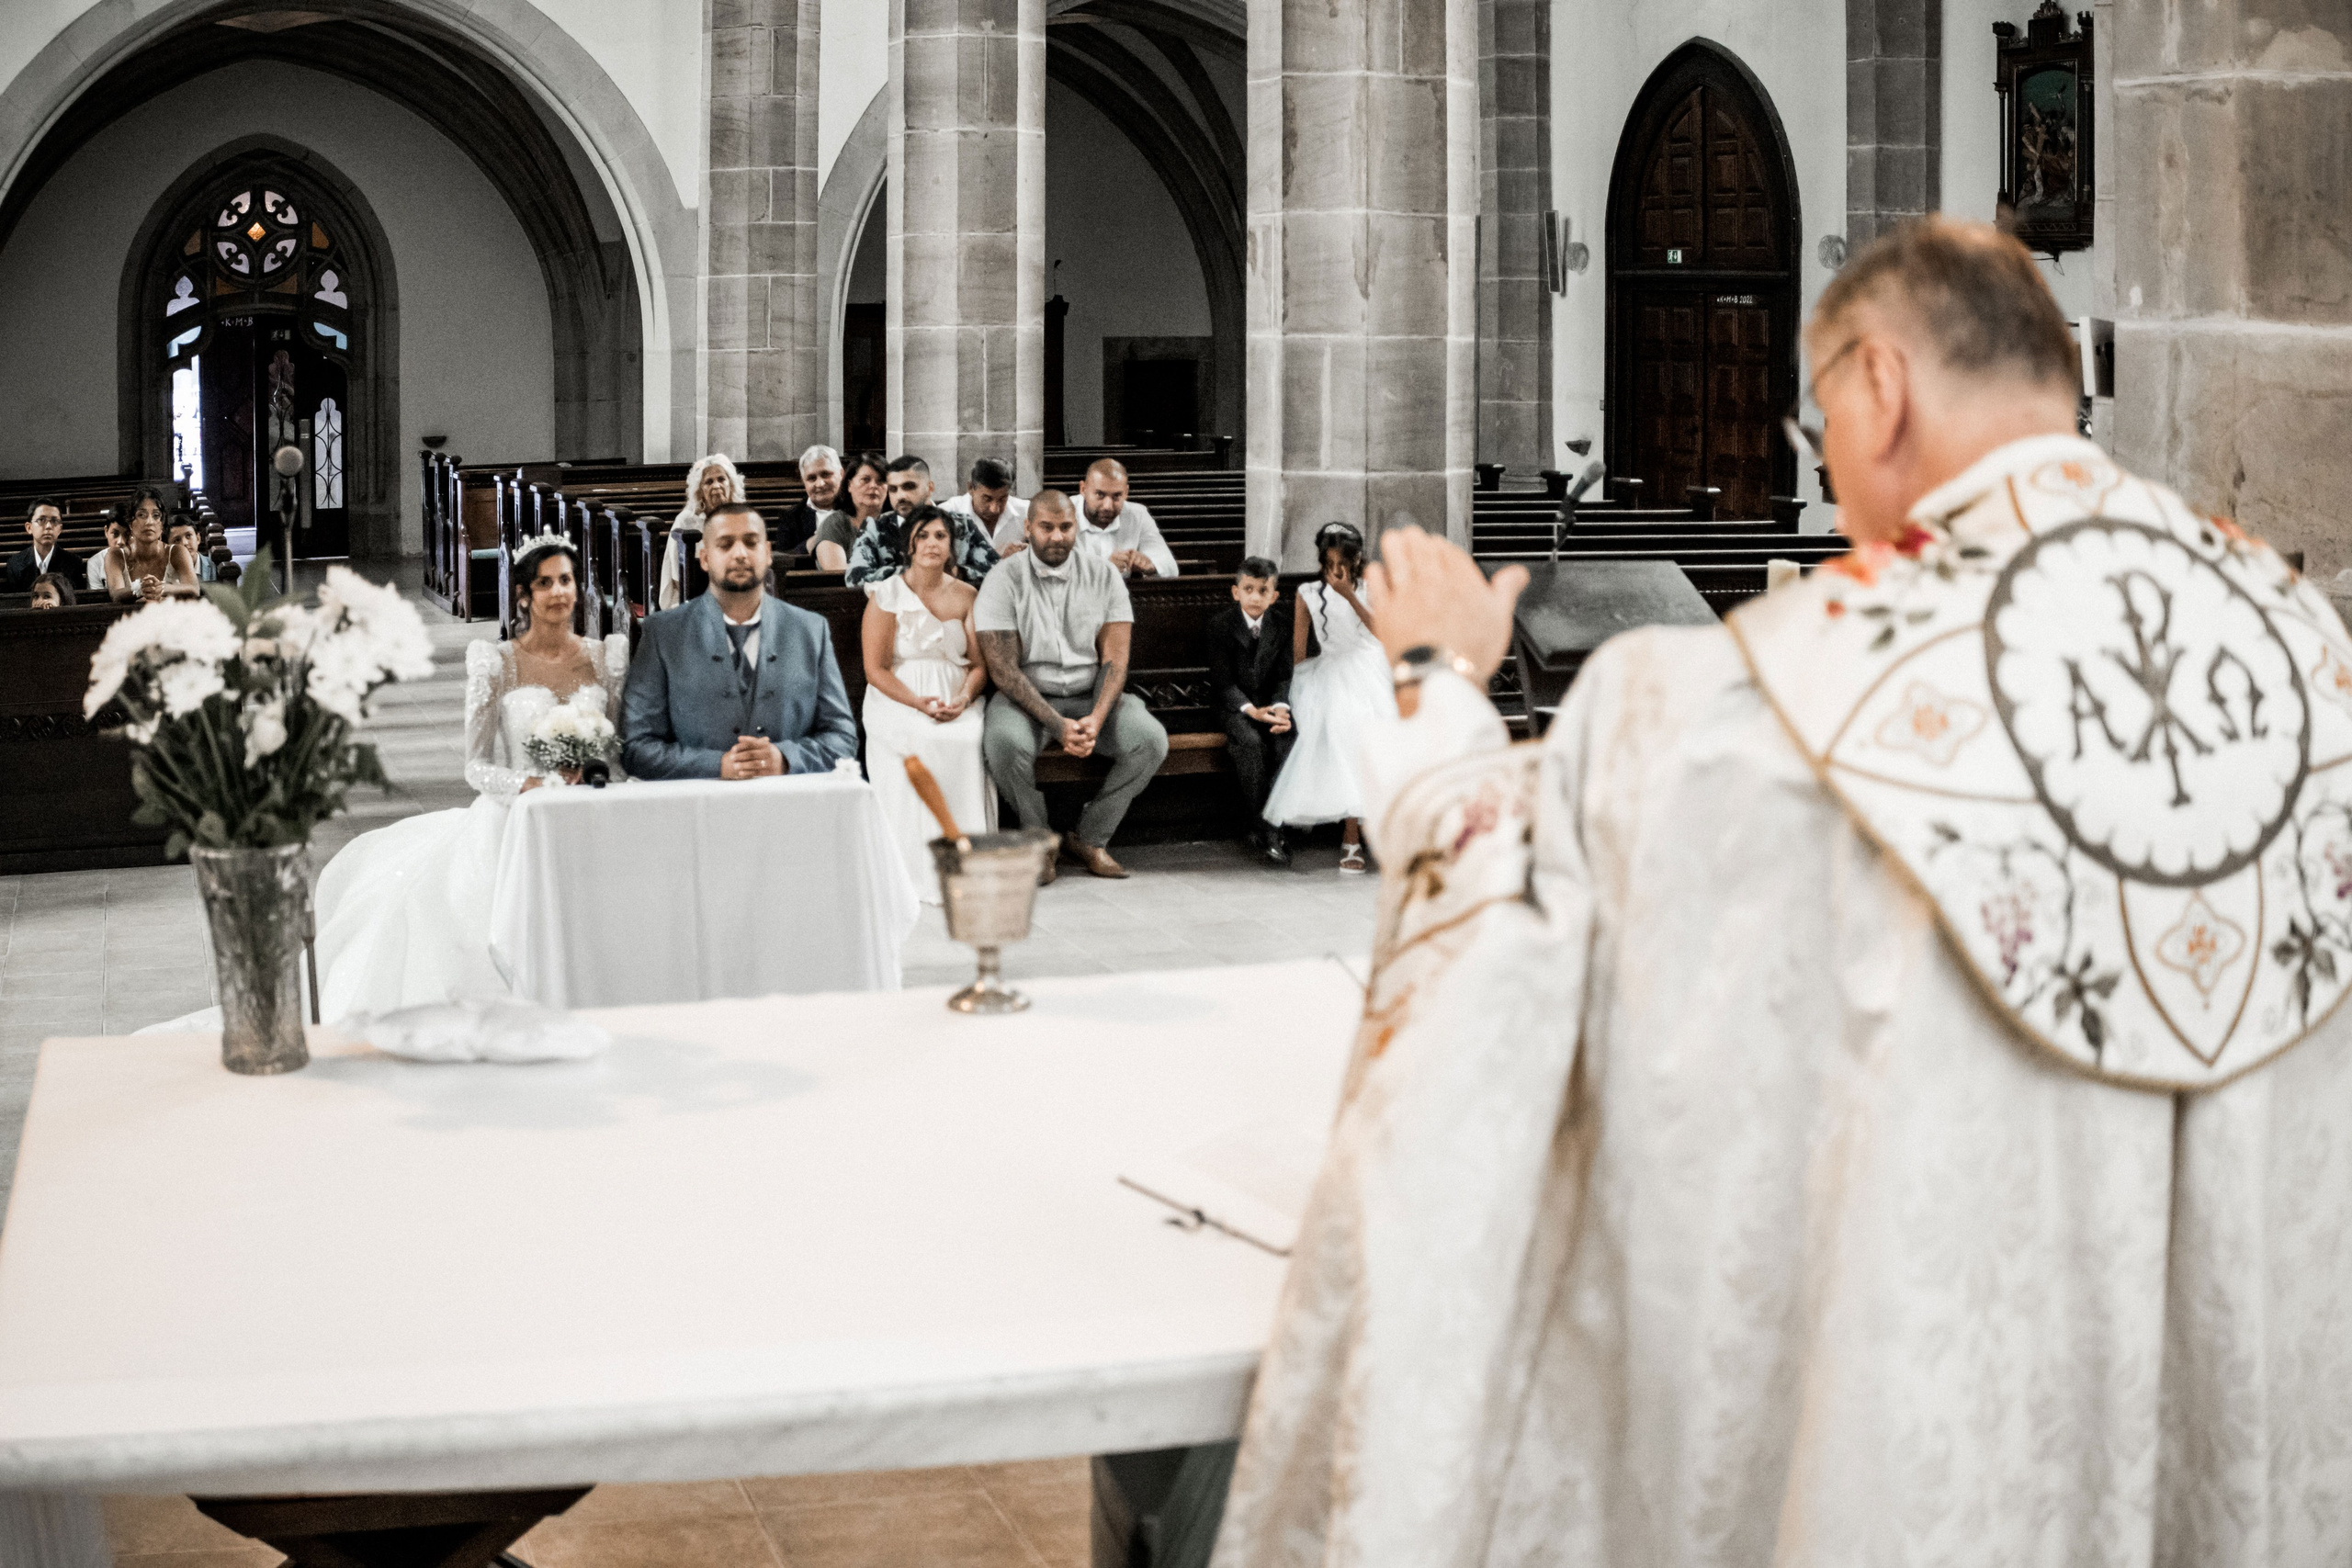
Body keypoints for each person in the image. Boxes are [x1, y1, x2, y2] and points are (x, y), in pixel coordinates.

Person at [1210, 218, 2352, 1564]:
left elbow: (1492, 934)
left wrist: (1435, 679)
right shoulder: (2306, 650)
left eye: (1817, 425)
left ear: (1879, 386)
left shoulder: (1760, 701)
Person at [308, 536, 629, 1022]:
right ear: (523, 594)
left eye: (567, 580)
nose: (560, 592)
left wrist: (597, 776)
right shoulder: (495, 662)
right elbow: (475, 767)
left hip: (589, 813)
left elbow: (622, 749)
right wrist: (528, 785)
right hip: (515, 817)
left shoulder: (607, 658)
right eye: (545, 583)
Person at [976, 490, 1169, 882]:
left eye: (1066, 527)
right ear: (1028, 528)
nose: (1058, 536)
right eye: (1046, 527)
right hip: (1027, 698)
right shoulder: (1002, 579)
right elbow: (1004, 670)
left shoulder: (1103, 575)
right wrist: (1057, 725)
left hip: (1090, 693)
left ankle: (1091, 837)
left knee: (1150, 740)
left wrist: (1096, 719)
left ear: (1076, 527)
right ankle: (1040, 840)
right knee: (1003, 744)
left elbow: (1116, 659)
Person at [622, 502, 858, 779]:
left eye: (751, 542)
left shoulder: (809, 630)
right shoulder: (664, 633)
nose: (740, 554)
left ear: (768, 553)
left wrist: (785, 758)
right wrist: (716, 765)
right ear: (705, 557)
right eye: (725, 544)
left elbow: (842, 738)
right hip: (699, 809)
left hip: (789, 809)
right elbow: (635, 747)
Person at [861, 505, 995, 899]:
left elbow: (978, 665)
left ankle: (964, 862)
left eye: (939, 536)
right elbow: (876, 669)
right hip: (898, 695)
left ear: (951, 545)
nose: (932, 544)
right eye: (922, 536)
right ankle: (912, 869)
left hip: (956, 694)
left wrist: (963, 698)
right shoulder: (886, 595)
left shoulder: (968, 594)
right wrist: (920, 704)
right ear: (909, 545)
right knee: (919, 740)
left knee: (965, 740)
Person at [1259, 523, 1390, 874]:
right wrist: (1302, 692)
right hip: (1328, 670)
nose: (1337, 569)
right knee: (1341, 726)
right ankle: (1351, 837)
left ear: (1357, 558)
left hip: (1370, 668)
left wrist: (1349, 595)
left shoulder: (1371, 586)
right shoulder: (1306, 592)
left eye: (1344, 560)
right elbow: (1299, 652)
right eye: (1330, 560)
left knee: (1369, 729)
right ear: (1321, 559)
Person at [1204, 557, 1294, 867]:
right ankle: (1268, 829)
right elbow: (1222, 681)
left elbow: (1284, 674)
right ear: (1235, 592)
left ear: (1274, 596)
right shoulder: (1221, 626)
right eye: (1248, 589)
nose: (1255, 597)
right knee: (1252, 744)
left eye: (1263, 590)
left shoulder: (1282, 624)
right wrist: (1250, 710)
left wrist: (1281, 708)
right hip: (1234, 706)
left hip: (1271, 705)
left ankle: (1275, 824)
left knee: (1286, 743)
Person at [846, 455, 1000, 587]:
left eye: (908, 487)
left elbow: (997, 571)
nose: (900, 496)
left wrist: (959, 572)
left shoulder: (961, 525)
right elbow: (855, 578)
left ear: (930, 487)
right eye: (893, 489)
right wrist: (921, 572)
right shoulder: (875, 528)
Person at [656, 453, 746, 610]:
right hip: (689, 596)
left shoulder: (741, 517)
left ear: (731, 485)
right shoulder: (686, 521)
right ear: (700, 490)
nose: (716, 486)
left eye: (721, 479)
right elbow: (679, 577)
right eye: (709, 482)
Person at [1075, 458, 1178, 577]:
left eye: (1117, 496)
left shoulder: (1138, 514)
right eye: (1100, 494)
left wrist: (1150, 565)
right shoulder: (1061, 514)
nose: (1108, 506)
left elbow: (1170, 567)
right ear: (1083, 489)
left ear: (1126, 493)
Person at [107, 487, 199, 603]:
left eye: (156, 515)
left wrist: (162, 588)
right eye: (141, 515)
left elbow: (194, 589)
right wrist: (141, 588)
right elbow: (116, 594)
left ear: (162, 524)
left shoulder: (178, 552)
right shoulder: (116, 555)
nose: (149, 522)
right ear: (131, 523)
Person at [813, 452, 887, 574]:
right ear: (849, 485)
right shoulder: (834, 525)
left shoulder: (895, 523)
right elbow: (840, 575)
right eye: (865, 480)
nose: (873, 486)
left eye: (881, 481)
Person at [774, 444, 847, 559]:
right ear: (804, 483)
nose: (820, 484)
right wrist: (809, 544)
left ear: (841, 474)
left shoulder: (859, 508)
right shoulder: (791, 517)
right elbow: (780, 560)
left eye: (826, 474)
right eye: (812, 478)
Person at [944, 457, 1029, 551]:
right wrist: (997, 559)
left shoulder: (1027, 512)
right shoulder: (946, 514)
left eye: (1002, 499)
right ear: (971, 488)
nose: (994, 509)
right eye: (987, 499)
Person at [6, 497, 82, 592]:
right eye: (41, 520)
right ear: (29, 528)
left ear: (60, 529)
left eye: (54, 521)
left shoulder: (73, 563)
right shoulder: (15, 564)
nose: (48, 526)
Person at [167, 517, 217, 582]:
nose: (185, 543)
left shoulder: (215, 567)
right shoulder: (165, 573)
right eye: (177, 540)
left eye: (188, 536)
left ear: (198, 538)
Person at [85, 519, 123, 593]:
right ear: (106, 531)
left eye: (127, 534)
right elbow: (97, 597)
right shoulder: (95, 563)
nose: (121, 541)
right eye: (115, 534)